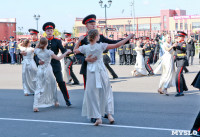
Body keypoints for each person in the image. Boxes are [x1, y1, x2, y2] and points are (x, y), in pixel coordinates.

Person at [74, 29, 134, 126]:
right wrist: (128, 37)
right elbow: (116, 45)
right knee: (106, 92)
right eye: (98, 35)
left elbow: (75, 50)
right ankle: (109, 115)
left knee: (92, 95)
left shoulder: (85, 47)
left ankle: (98, 117)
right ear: (96, 37)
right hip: (101, 71)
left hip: (91, 73)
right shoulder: (101, 46)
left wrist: (79, 40)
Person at [75, 14, 124, 90]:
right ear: (86, 26)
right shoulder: (83, 39)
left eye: (95, 24)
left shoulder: (100, 36)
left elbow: (113, 42)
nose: (94, 26)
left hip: (99, 67)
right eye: (91, 24)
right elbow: (77, 54)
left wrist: (127, 40)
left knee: (104, 88)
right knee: (89, 89)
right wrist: (85, 59)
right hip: (88, 67)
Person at [33, 37, 72, 112]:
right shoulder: (49, 52)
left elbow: (36, 48)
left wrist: (40, 43)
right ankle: (55, 101)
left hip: (40, 69)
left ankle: (35, 105)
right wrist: (66, 53)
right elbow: (58, 58)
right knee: (53, 84)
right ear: (47, 44)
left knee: (39, 86)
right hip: (48, 69)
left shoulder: (37, 50)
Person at [42, 22, 72, 106]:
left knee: (60, 81)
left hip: (55, 64)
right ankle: (46, 100)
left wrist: (68, 52)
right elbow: (38, 52)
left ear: (53, 31)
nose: (49, 32)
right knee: (46, 82)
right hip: (46, 64)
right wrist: (38, 61)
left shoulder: (57, 41)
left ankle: (67, 99)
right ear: (45, 31)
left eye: (51, 30)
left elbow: (62, 50)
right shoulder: (43, 40)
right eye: (48, 30)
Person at [173, 31, 188, 97]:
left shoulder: (183, 43)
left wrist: (177, 46)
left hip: (182, 60)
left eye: (179, 37)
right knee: (180, 75)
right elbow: (175, 51)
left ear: (183, 37)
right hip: (178, 60)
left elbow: (184, 49)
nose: (178, 38)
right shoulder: (178, 43)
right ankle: (184, 88)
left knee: (178, 75)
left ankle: (180, 91)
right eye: (178, 37)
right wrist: (174, 46)